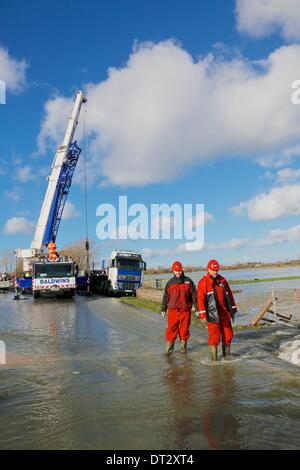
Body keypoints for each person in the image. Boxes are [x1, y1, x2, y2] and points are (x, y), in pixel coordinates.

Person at [197, 260, 237, 361]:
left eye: (216, 270)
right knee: (214, 338)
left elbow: (230, 295)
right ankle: (214, 361)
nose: (215, 272)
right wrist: (203, 314)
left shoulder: (223, 280)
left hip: (224, 313)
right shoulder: (203, 282)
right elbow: (200, 299)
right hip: (212, 315)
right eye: (213, 270)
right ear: (208, 269)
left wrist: (233, 309)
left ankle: (227, 358)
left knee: (228, 335)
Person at [161, 261, 198, 355]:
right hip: (173, 312)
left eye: (180, 270)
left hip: (185, 312)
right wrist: (163, 309)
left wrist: (197, 308)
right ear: (173, 271)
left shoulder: (188, 281)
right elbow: (165, 297)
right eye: (176, 271)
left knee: (184, 331)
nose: (178, 272)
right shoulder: (170, 283)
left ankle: (183, 352)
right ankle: (168, 353)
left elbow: (195, 295)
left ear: (182, 270)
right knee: (171, 331)